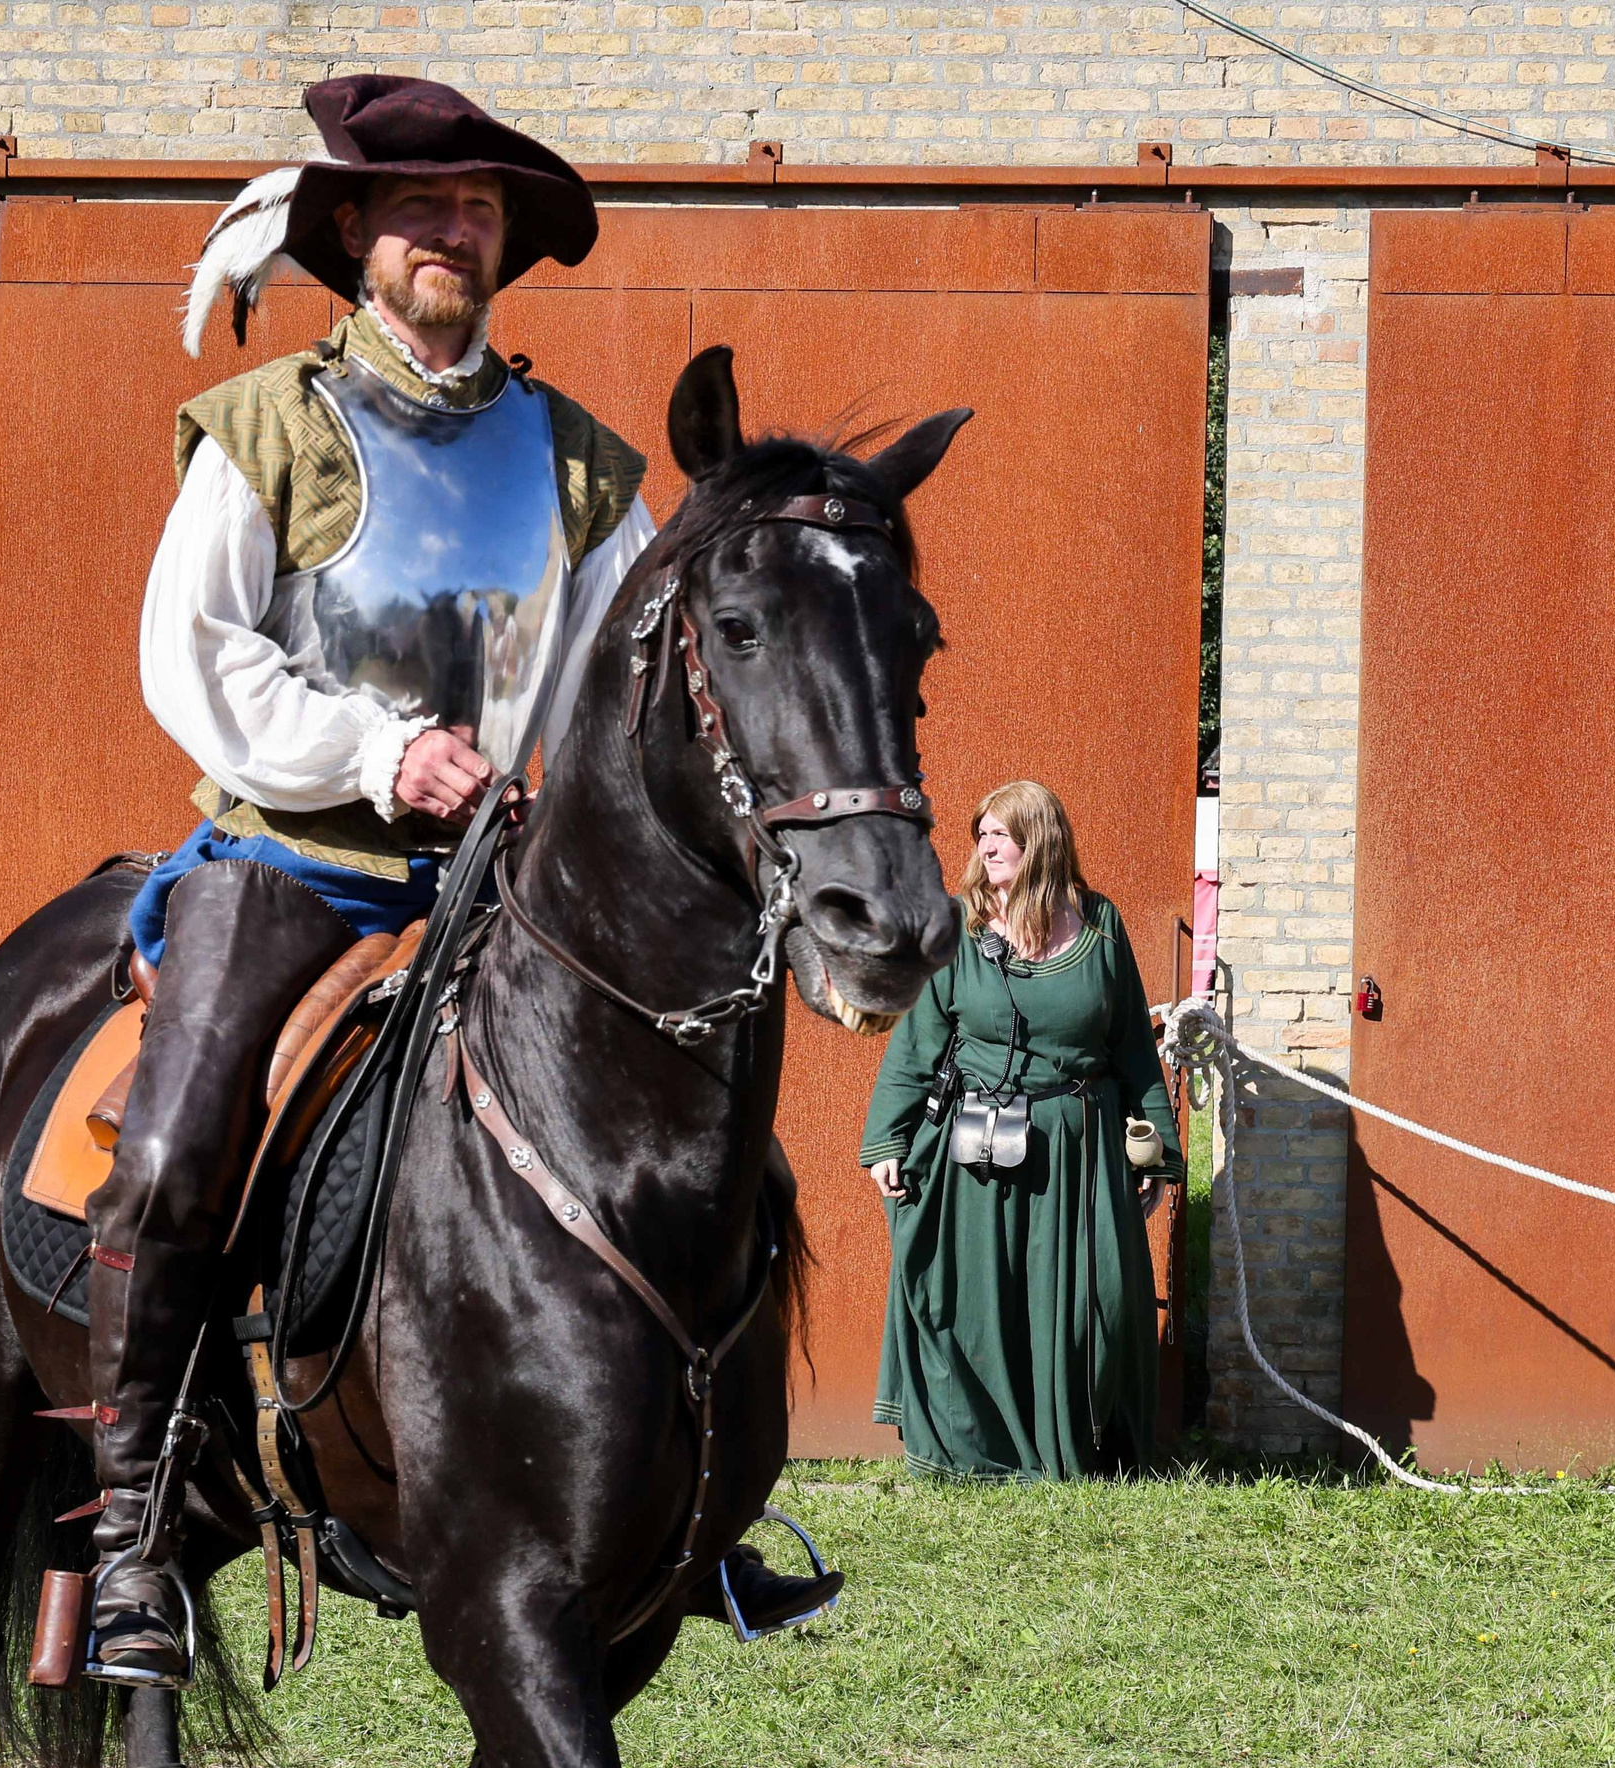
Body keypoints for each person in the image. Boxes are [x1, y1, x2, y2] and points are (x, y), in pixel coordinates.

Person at [84, 72, 832, 1684]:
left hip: (506, 881)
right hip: (301, 866)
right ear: (353, 233)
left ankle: (698, 1504)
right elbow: (190, 654)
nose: (453, 236)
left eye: (478, 213)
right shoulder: (272, 424)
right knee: (175, 1133)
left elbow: (643, 666)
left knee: (704, 1144)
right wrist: (376, 755)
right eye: (423, 210)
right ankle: (138, 1518)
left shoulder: (575, 464)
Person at [859, 780, 1185, 1478]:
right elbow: (916, 1044)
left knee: (1092, 1306)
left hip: (1077, 1149)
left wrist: (1157, 1154)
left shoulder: (1099, 926)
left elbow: (1133, 1049)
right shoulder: (959, 928)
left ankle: (1082, 1448)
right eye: (982, 833)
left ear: (1041, 841)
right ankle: (973, 1454)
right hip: (972, 1148)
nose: (986, 845)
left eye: (1002, 833)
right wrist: (888, 1139)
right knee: (971, 1302)